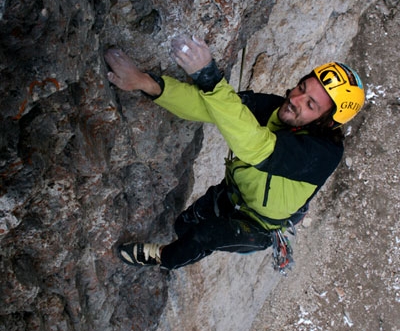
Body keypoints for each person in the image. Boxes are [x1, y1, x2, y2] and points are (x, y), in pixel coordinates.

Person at [104, 35, 364, 271]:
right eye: (302, 88)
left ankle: (162, 258)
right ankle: (180, 244)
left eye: (310, 104)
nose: (295, 100)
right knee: (183, 225)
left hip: (259, 225)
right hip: (233, 192)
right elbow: (213, 106)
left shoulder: (322, 154)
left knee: (202, 236)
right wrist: (145, 82)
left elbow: (256, 148)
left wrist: (209, 77)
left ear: (326, 122)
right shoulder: (276, 110)